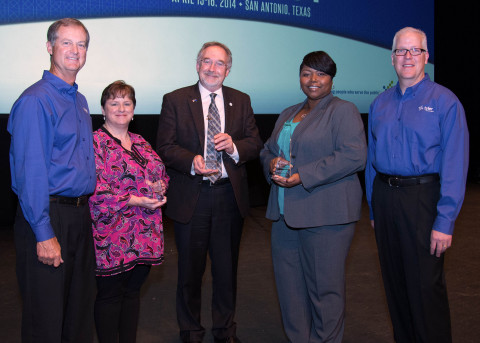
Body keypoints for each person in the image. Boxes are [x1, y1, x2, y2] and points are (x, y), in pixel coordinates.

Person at [365, 27, 469, 343]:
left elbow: (455, 164)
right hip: (385, 200)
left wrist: (445, 221)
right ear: (392, 58)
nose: (407, 57)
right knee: (395, 286)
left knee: (425, 289)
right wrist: (373, 208)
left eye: (415, 50)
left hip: (423, 200)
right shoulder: (380, 103)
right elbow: (372, 160)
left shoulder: (445, 102)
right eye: (401, 51)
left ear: (426, 56)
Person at [156, 41, 262, 343]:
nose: (212, 68)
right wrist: (192, 160)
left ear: (227, 70)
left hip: (229, 197)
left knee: (226, 272)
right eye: (206, 61)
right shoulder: (175, 99)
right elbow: (164, 146)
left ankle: (225, 332)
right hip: (194, 196)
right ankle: (190, 332)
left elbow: (255, 143)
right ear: (197, 64)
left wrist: (235, 147)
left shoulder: (241, 100)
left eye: (219, 63)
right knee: (189, 273)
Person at [259, 51, 367, 343]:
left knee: (324, 293)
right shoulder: (288, 112)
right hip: (284, 216)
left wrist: (303, 175)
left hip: (326, 216)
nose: (313, 80)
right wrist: (270, 162)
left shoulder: (343, 110)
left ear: (331, 78)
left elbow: (354, 156)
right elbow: (267, 149)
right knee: (290, 294)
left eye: (320, 73)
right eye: (306, 73)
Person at [7, 18, 96, 343]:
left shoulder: (80, 101)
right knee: (46, 320)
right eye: (66, 43)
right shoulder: (36, 100)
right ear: (50, 48)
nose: (75, 51)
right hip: (47, 217)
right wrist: (44, 233)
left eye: (81, 44)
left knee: (78, 314)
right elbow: (30, 174)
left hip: (79, 217)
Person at [89, 81, 169, 343]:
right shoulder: (94, 143)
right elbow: (94, 190)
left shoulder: (140, 141)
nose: (121, 108)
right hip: (112, 236)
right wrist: (134, 199)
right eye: (114, 103)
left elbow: (160, 173)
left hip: (144, 234)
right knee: (111, 296)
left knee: (133, 293)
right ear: (103, 109)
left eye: (127, 103)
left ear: (134, 110)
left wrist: (158, 186)